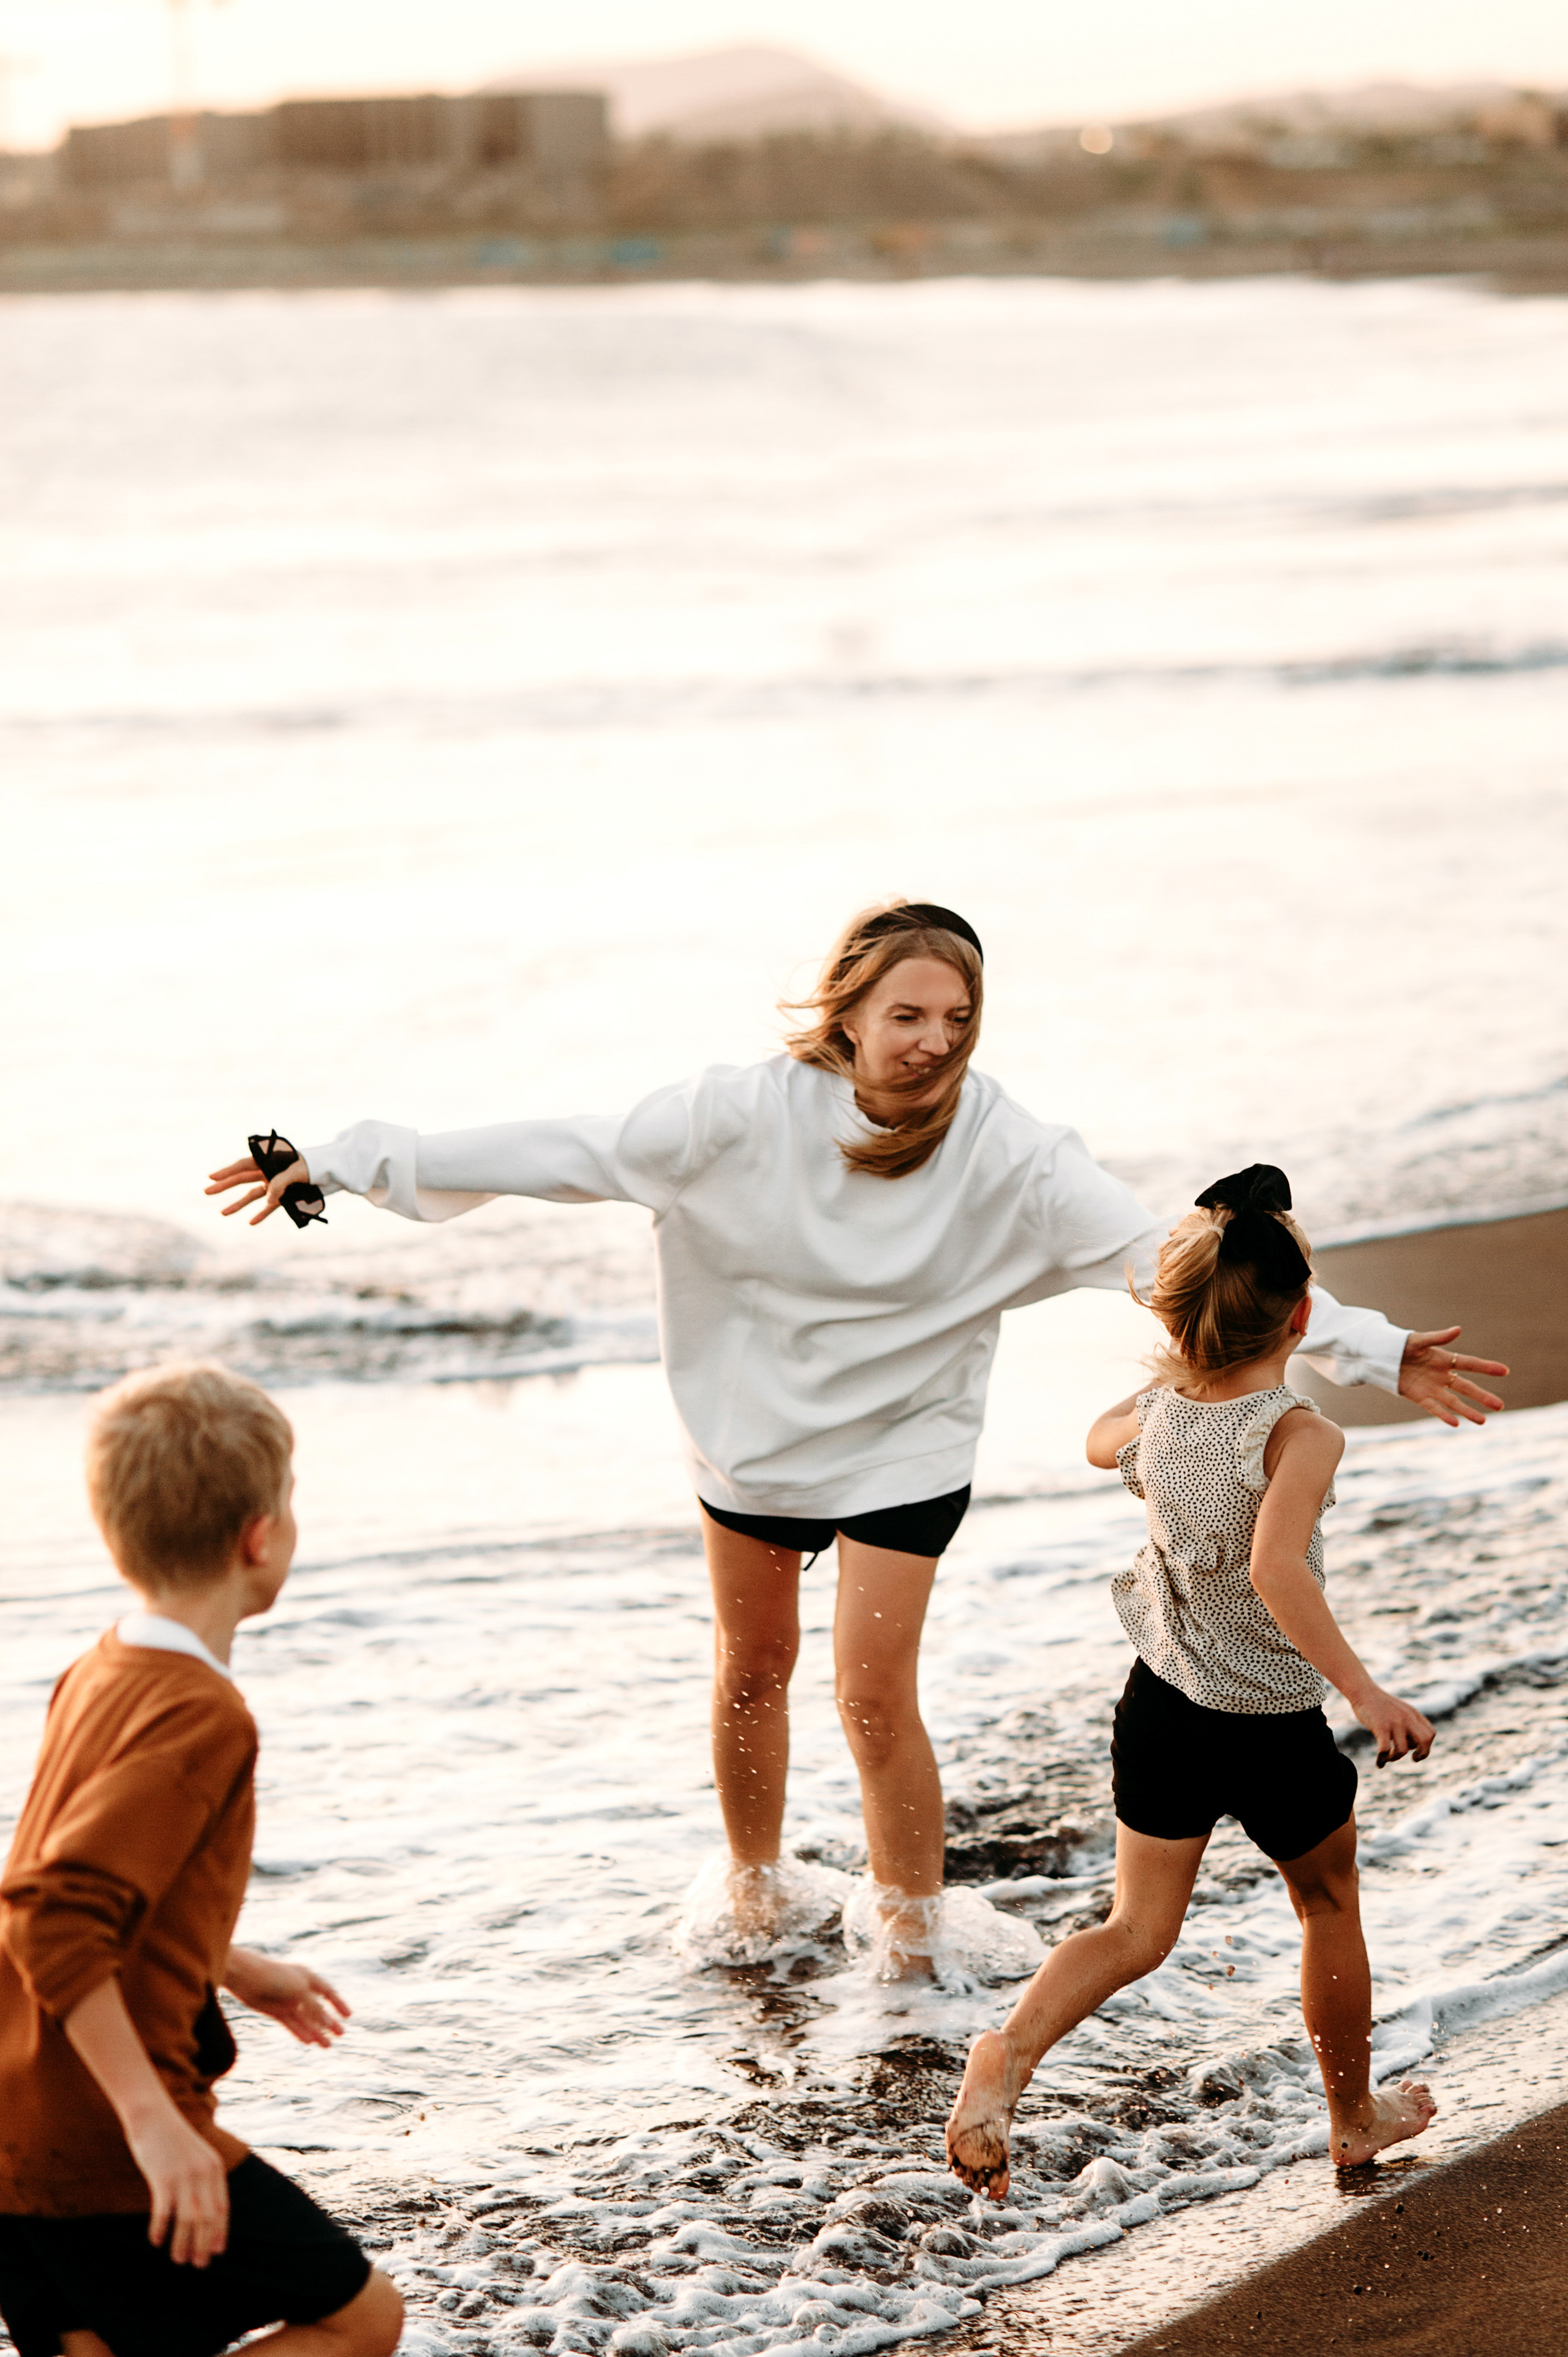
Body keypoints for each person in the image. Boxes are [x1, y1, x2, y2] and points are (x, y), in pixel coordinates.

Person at [205, 904, 1504, 1969]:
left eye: (956, 1018)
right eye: (907, 1015)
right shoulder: (731, 1116)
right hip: (751, 1434)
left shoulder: (1010, 1152)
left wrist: (1373, 1347)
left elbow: (1181, 1264)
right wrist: (340, 1159)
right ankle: (755, 1889)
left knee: (872, 1696)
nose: (933, 1042)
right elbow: (560, 1148)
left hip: (906, 1442)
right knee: (750, 1666)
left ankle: (908, 1937)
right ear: (845, 1015)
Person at [945, 1166, 1441, 2198]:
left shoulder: (1161, 1414)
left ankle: (1008, 2057)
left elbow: (1096, 1443)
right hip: (1268, 1723)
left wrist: (1174, 1368)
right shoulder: (1302, 1435)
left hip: (1163, 1705)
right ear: (1304, 1316)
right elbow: (1273, 1571)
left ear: (1180, 1316)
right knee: (1327, 1900)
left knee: (1135, 1931)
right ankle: (1352, 2120)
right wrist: (1365, 1693)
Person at [0, 1363, 404, 2357]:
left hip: (14, 2107)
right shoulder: (203, 1715)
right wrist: (151, 2123)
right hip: (107, 2128)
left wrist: (234, 1963)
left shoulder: (102, 1667)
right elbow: (50, 1912)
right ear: (258, 1538)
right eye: (291, 1505)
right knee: (361, 2319)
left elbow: (92, 1877)